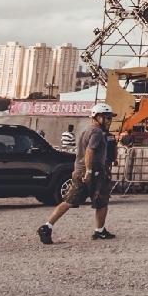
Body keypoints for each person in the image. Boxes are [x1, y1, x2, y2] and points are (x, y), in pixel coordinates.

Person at [39, 103, 118, 244]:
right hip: (92, 172)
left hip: (81, 170)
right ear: (96, 117)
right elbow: (89, 151)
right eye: (106, 118)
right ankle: (99, 231)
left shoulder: (87, 130)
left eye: (109, 118)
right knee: (101, 201)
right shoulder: (97, 132)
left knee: (70, 201)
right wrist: (89, 171)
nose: (108, 121)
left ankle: (47, 226)